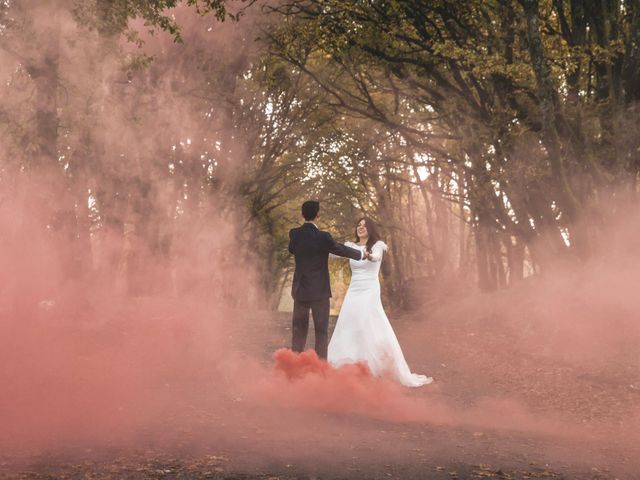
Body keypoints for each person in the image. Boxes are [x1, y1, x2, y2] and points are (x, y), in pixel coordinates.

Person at [328, 217, 433, 387]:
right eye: (358, 225)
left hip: (369, 289)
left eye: (364, 225)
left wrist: (366, 254)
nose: (360, 228)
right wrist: (316, 247)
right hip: (354, 290)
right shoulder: (351, 246)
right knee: (348, 323)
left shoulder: (378, 245)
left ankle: (374, 365)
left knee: (366, 323)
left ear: (370, 229)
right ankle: (348, 364)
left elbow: (376, 258)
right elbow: (332, 253)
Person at [288, 201, 368, 359]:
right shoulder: (323, 237)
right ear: (318, 215)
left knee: (299, 330)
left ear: (302, 214)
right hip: (319, 291)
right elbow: (341, 249)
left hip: (300, 290)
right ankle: (320, 368)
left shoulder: (294, 234)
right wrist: (361, 254)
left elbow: (292, 249)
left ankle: (293, 366)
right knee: (321, 331)